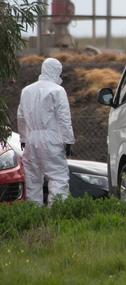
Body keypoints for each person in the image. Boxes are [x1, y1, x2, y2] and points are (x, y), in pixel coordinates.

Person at [17, 58, 75, 206]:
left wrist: (23, 138)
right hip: (52, 139)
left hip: (31, 139)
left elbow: (21, 117)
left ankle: (34, 214)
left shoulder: (26, 90)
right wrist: (68, 141)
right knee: (58, 177)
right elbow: (64, 118)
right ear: (56, 71)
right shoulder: (58, 90)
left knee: (32, 179)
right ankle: (57, 212)